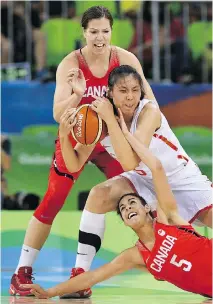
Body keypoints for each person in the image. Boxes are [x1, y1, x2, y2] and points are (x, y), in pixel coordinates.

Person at [10, 6, 158, 297]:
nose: (99, 38)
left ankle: (81, 276)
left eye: (105, 31)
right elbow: (57, 113)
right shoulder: (71, 64)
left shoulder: (125, 60)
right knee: (53, 199)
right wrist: (77, 96)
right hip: (78, 138)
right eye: (93, 32)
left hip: (112, 140)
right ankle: (21, 272)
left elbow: (149, 103)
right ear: (84, 33)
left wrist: (133, 130)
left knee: (135, 197)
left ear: (112, 32)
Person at [57, 65, 212, 298]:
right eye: (122, 90)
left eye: (135, 90)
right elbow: (74, 164)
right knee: (99, 195)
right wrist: (63, 135)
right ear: (110, 92)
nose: (130, 96)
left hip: (183, 180)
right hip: (145, 179)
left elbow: (130, 161)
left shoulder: (149, 112)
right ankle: (80, 275)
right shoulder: (98, 118)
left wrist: (111, 119)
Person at [20, 112, 212, 299]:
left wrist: (126, 134)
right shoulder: (136, 256)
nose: (127, 207)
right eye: (123, 208)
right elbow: (93, 277)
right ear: (125, 223)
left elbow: (157, 168)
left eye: (132, 202)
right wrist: (50, 292)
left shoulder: (168, 220)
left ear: (148, 208)